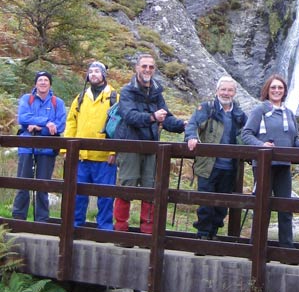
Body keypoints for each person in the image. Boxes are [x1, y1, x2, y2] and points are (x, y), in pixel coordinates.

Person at [113, 54, 186, 234]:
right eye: (144, 66)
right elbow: (129, 116)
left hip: (151, 145)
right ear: (137, 68)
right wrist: (153, 117)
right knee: (126, 187)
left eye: (151, 67)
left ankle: (147, 232)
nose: (147, 70)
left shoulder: (156, 92)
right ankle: (121, 231)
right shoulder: (127, 91)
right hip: (130, 144)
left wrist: (182, 126)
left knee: (150, 187)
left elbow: (165, 116)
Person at [241, 74, 299, 248]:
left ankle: (287, 247)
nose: (277, 90)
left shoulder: (289, 113)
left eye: (280, 88)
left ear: (285, 91)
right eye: (273, 88)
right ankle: (256, 246)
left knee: (285, 206)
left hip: (284, 166)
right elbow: (246, 134)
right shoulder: (259, 110)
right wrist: (261, 145)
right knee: (262, 205)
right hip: (264, 165)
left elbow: (293, 141)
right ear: (267, 90)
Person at [185, 76, 247, 239]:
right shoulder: (207, 108)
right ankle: (203, 235)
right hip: (208, 165)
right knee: (205, 202)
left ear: (234, 92)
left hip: (230, 167)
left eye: (230, 90)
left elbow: (248, 134)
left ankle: (213, 235)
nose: (226, 93)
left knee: (222, 205)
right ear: (217, 91)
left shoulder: (239, 114)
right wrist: (191, 137)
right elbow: (192, 124)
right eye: (223, 89)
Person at [63, 61, 118, 230]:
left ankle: (105, 229)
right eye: (91, 72)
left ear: (103, 75)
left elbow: (119, 125)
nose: (93, 74)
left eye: (97, 71)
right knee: (77, 194)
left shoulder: (114, 97)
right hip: (81, 156)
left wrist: (114, 151)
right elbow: (71, 123)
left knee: (106, 196)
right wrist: (67, 149)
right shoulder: (80, 98)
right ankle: (75, 226)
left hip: (104, 157)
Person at [12, 71, 66, 222]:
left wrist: (38, 127)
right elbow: (23, 118)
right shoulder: (26, 99)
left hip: (47, 149)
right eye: (40, 80)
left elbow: (60, 125)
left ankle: (42, 219)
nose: (43, 82)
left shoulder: (58, 103)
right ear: (35, 84)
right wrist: (47, 123)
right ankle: (18, 217)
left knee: (43, 184)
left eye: (46, 80)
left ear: (50, 84)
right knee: (23, 182)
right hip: (27, 147)